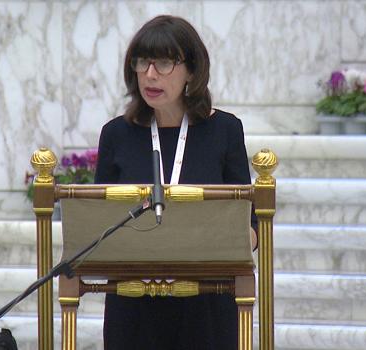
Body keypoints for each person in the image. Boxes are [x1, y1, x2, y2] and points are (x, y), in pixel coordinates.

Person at [94, 15, 257, 350]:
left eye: (165, 63)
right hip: (132, 301)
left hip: (206, 300)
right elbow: (97, 224)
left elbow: (251, 230)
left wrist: (205, 233)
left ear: (192, 71)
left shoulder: (225, 131)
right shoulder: (116, 134)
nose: (150, 74)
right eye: (142, 62)